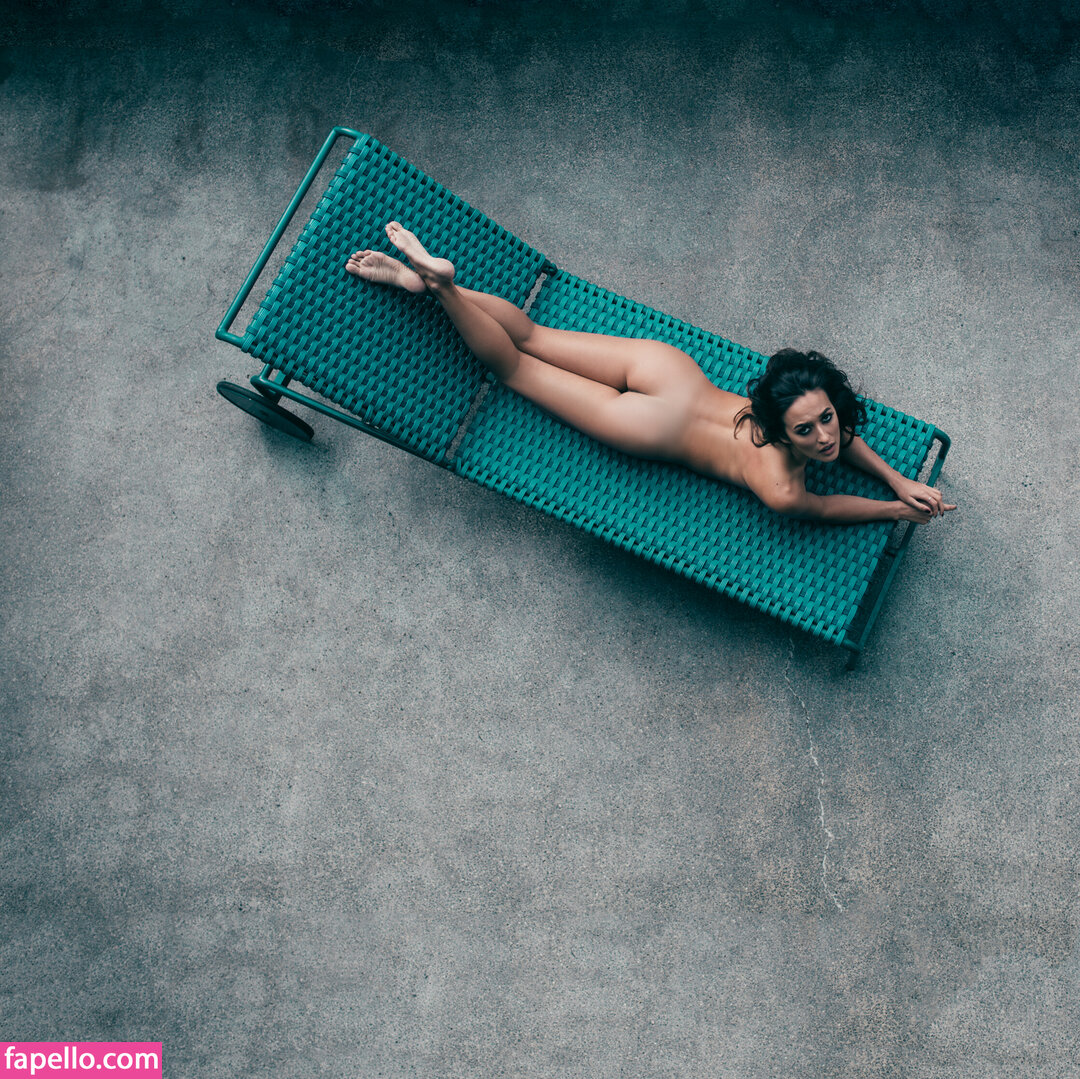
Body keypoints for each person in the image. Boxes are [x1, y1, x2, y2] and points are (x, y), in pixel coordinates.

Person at [346, 222, 956, 525]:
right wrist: (894, 508)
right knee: (513, 365)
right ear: (777, 427)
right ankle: (441, 287)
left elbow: (844, 442)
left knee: (534, 335)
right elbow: (824, 509)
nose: (825, 436)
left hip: (673, 373)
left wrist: (898, 479)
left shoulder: (800, 420)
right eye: (807, 429)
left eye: (825, 420)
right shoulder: (782, 489)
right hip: (651, 426)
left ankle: (425, 281)